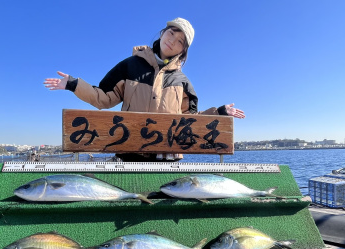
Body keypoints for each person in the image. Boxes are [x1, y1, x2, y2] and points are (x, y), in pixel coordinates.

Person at [44, 17, 245, 161]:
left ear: (183, 50)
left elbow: (190, 121)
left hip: (168, 157)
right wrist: (73, 84)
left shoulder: (183, 82)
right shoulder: (130, 66)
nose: (172, 41)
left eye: (180, 42)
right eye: (171, 33)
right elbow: (103, 97)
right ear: (163, 32)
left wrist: (219, 112)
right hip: (130, 153)